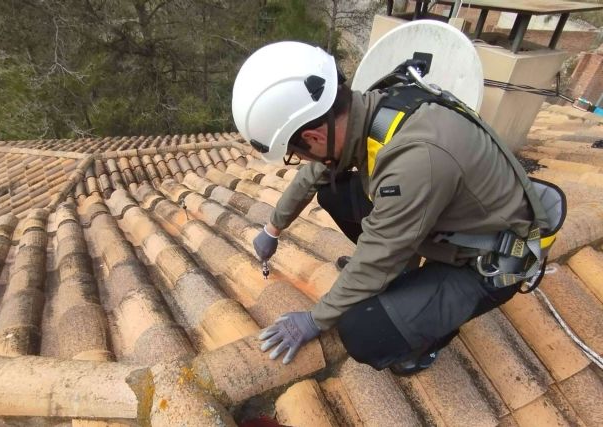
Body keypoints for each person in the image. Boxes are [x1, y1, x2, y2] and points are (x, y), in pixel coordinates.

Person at [231, 41, 562, 375]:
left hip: (487, 263)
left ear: (316, 137)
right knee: (335, 192)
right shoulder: (371, 109)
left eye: (297, 153)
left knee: (362, 332)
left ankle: (429, 341)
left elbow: (376, 260)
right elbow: (315, 173)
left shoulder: (414, 160)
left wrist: (314, 320)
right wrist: (272, 228)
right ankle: (406, 280)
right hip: (444, 219)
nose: (302, 160)